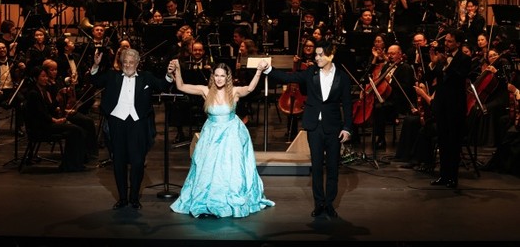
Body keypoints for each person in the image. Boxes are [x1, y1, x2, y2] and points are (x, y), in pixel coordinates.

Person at [169, 59, 274, 218]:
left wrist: (259, 71)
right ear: (213, 76)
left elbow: (250, 88)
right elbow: (181, 86)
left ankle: (228, 198)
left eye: (222, 76)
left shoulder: (234, 92)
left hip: (231, 133)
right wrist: (177, 69)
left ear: (227, 77)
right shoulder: (205, 90)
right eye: (216, 75)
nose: (219, 79)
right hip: (211, 134)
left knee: (230, 168)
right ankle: (206, 198)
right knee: (207, 167)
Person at [266, 40, 352, 218]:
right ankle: (319, 203)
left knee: (333, 168)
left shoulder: (342, 77)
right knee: (317, 167)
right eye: (316, 54)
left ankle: (330, 204)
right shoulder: (311, 72)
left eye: (321, 54)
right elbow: (288, 78)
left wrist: (347, 127)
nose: (317, 57)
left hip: (334, 127)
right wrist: (269, 69)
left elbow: (347, 104)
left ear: (331, 55)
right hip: (314, 127)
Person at [90, 48, 174, 210]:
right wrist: (95, 65)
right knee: (119, 161)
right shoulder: (112, 76)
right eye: (125, 62)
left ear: (137, 63)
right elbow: (95, 81)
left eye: (131, 62)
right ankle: (122, 198)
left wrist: (169, 74)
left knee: (137, 162)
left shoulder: (146, 77)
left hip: (138, 123)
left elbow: (162, 85)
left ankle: (134, 198)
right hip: (117, 122)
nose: (128, 65)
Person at [425, 28, 472, 188]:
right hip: (441, 104)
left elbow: (459, 77)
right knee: (443, 140)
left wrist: (446, 64)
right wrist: (433, 62)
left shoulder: (464, 59)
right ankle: (443, 176)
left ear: (458, 43)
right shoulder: (441, 57)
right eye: (445, 40)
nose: (446, 43)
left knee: (454, 142)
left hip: (455, 106)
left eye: (450, 41)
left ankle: (453, 177)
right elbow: (429, 77)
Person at [24, 65, 87, 172]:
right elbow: (41, 114)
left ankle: (73, 163)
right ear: (35, 78)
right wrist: (55, 120)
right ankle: (71, 164)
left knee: (78, 129)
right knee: (75, 130)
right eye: (43, 76)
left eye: (46, 76)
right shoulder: (33, 93)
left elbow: (50, 109)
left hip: (46, 124)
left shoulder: (42, 91)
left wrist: (58, 99)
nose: (46, 78)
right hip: (40, 127)